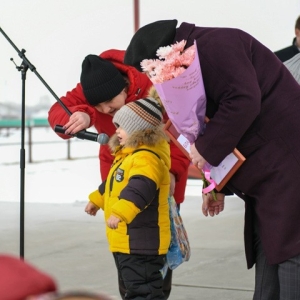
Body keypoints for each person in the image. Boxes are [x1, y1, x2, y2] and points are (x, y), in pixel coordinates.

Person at [124, 19, 300, 300]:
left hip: (287, 162)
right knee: (270, 242)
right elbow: (213, 120)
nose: (157, 77)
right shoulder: (195, 57)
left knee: (290, 248)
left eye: (154, 71)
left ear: (162, 55)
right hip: (267, 172)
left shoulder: (216, 46)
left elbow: (243, 100)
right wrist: (214, 184)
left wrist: (205, 150)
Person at [47, 51, 190, 299]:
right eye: (98, 106)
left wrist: (173, 172)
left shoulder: (152, 83)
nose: (105, 110)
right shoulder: (93, 85)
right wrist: (82, 114)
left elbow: (178, 133)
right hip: (118, 168)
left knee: (155, 255)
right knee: (126, 255)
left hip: (156, 171)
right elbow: (57, 112)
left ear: (125, 87)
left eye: (110, 103)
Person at [85, 97, 171, 300]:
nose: (117, 131)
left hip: (142, 243)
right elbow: (113, 183)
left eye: (121, 126)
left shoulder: (146, 157)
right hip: (128, 241)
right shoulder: (127, 157)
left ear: (138, 130)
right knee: (133, 291)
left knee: (143, 292)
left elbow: (141, 188)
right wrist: (97, 200)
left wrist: (121, 212)